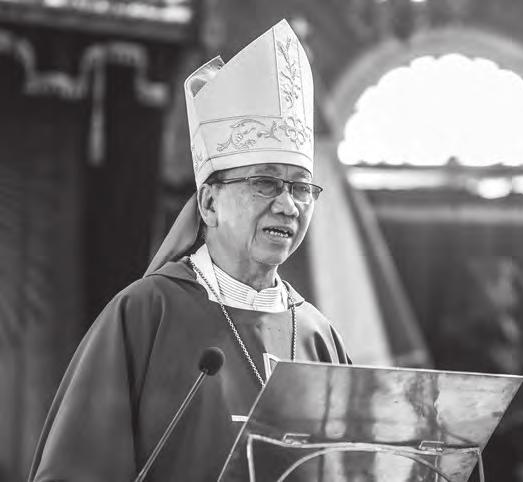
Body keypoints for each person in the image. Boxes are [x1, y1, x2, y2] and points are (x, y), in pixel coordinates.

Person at [29, 19, 350, 482]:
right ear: (209, 202)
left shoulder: (318, 335)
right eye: (265, 182)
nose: (288, 204)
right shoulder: (145, 313)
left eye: (301, 188)